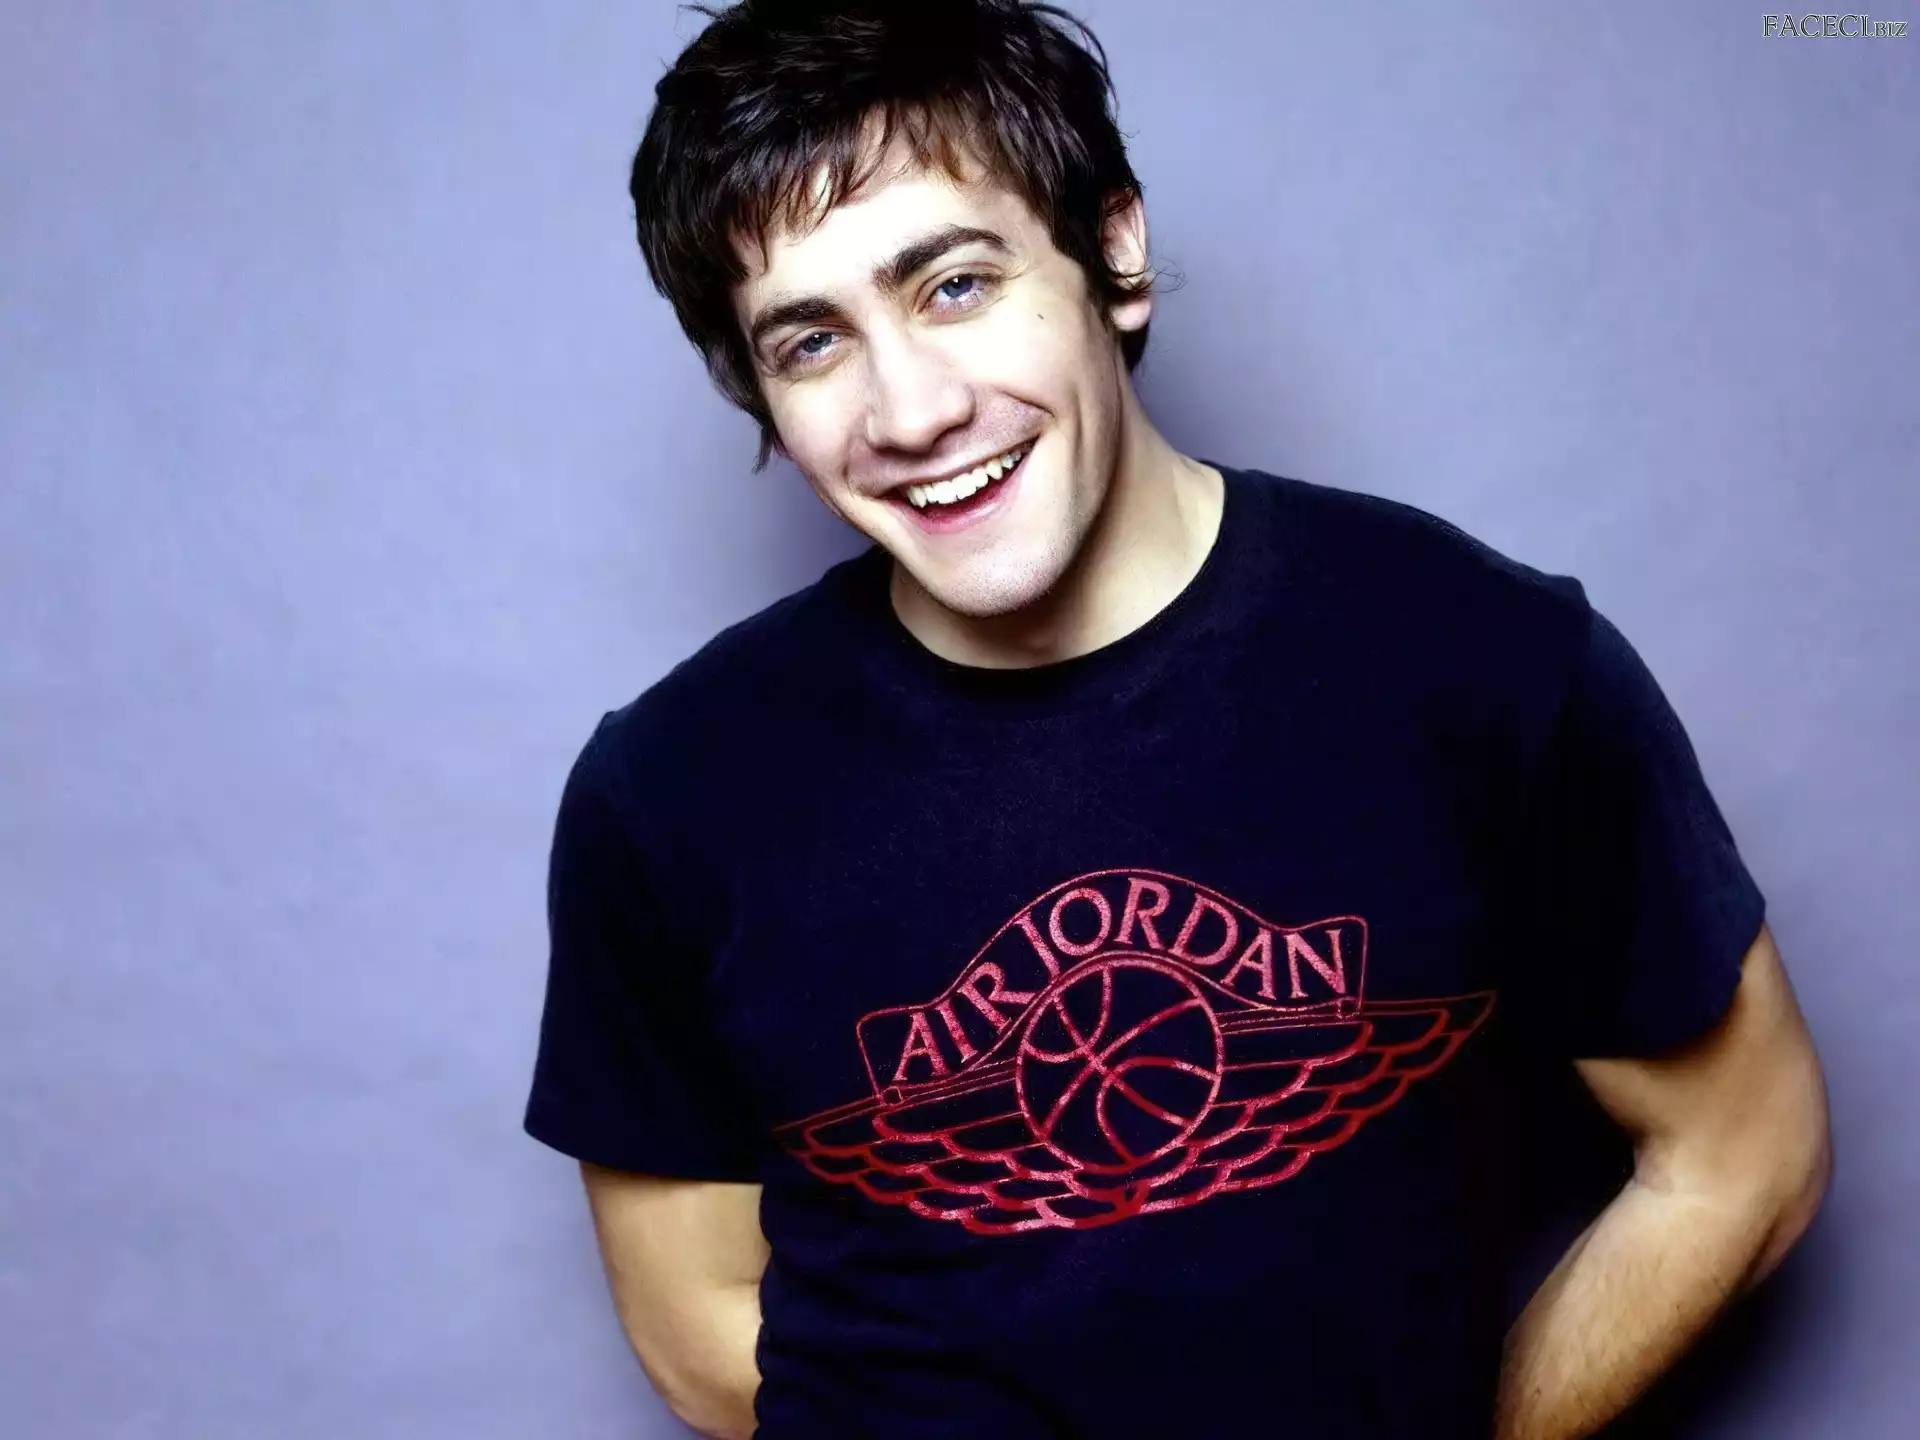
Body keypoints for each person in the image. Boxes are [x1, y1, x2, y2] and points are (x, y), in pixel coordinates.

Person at [521, 2, 1832, 1435]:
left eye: (954, 285)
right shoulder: (671, 792)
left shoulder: (1485, 665)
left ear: (1115, 252)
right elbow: (700, 1319)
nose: (908, 411)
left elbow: (1738, 1156)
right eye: (813, 342)